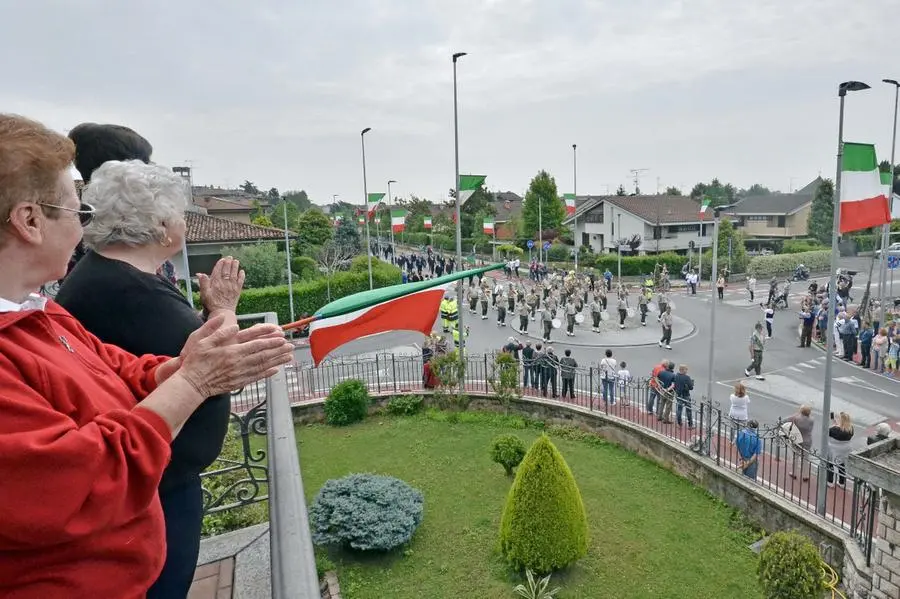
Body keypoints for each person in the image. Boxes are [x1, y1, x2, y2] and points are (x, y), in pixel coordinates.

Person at [0, 114, 294, 598]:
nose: (85, 228)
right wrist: (196, 380)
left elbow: (114, 365)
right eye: (77, 211)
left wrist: (182, 366)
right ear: (30, 221)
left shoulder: (38, 312)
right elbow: (88, 478)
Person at [54, 160, 249, 598]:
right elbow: (217, 364)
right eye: (180, 215)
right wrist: (222, 313)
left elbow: (166, 354)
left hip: (152, 478)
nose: (184, 223)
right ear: (162, 228)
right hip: (155, 488)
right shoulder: (130, 292)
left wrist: (209, 314)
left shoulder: (108, 279)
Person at [826, 412, 854, 487]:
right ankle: (842, 482)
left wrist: (833, 425)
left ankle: (830, 481)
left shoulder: (833, 429)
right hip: (845, 450)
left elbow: (827, 433)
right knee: (841, 465)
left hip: (834, 449)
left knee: (830, 464)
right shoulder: (850, 428)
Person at [787, 405, 814, 481]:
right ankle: (805, 475)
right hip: (807, 440)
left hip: (797, 439)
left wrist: (797, 413)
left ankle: (794, 473)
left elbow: (787, 419)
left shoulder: (796, 418)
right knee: (805, 458)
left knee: (795, 457)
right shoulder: (812, 420)